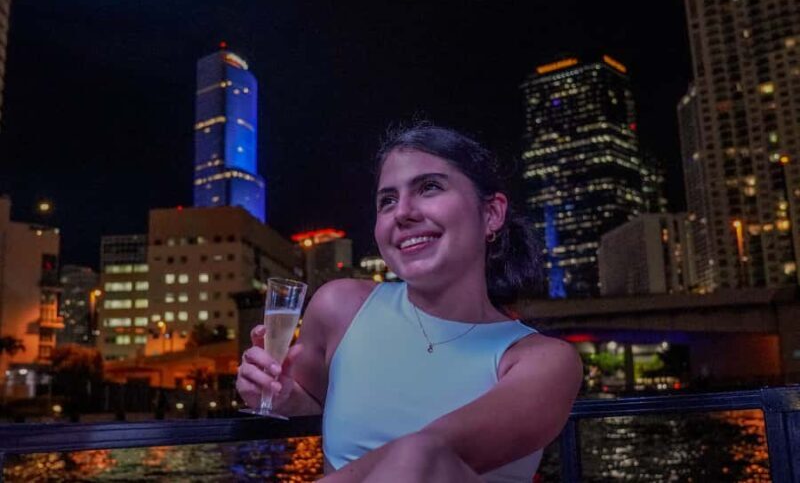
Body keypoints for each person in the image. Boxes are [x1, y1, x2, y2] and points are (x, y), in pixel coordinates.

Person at [236, 123, 583, 482]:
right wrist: (281, 397)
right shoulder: (338, 307)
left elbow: (426, 456)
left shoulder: (544, 361)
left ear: (492, 214)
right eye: (387, 201)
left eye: (429, 187)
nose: (402, 212)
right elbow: (315, 407)